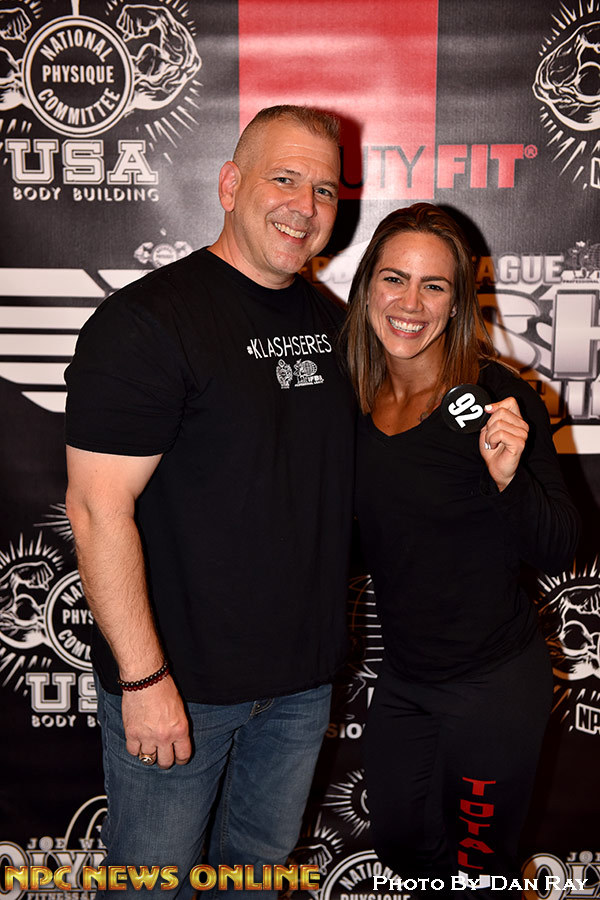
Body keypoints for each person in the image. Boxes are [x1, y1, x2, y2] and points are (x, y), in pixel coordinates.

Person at [64, 105, 355, 898]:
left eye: (324, 190)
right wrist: (143, 680)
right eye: (284, 178)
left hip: (299, 690)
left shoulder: (334, 325)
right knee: (153, 888)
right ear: (230, 185)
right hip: (180, 686)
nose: (304, 206)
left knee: (253, 881)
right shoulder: (147, 323)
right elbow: (96, 509)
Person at [343, 203, 579, 896]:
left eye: (434, 286)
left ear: (456, 303)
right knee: (400, 846)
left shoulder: (495, 396)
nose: (410, 304)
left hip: (492, 686)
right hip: (406, 679)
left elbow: (559, 547)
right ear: (368, 287)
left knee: (477, 876)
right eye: (394, 279)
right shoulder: (353, 395)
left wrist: (507, 480)